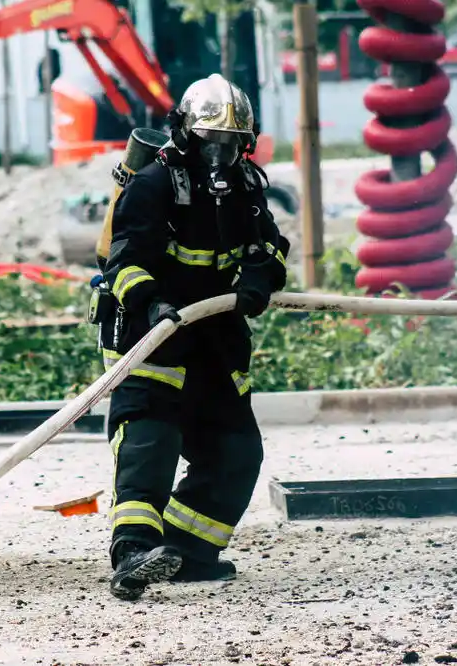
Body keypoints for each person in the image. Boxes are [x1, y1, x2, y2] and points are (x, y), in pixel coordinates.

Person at [93, 73, 290, 601]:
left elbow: (271, 246)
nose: (220, 155)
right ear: (184, 133)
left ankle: (186, 552)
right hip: (152, 332)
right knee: (151, 440)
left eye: (231, 144)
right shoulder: (153, 185)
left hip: (214, 337)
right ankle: (134, 552)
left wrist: (258, 276)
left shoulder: (246, 188)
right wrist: (151, 302)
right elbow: (124, 262)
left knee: (236, 451)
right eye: (211, 141)